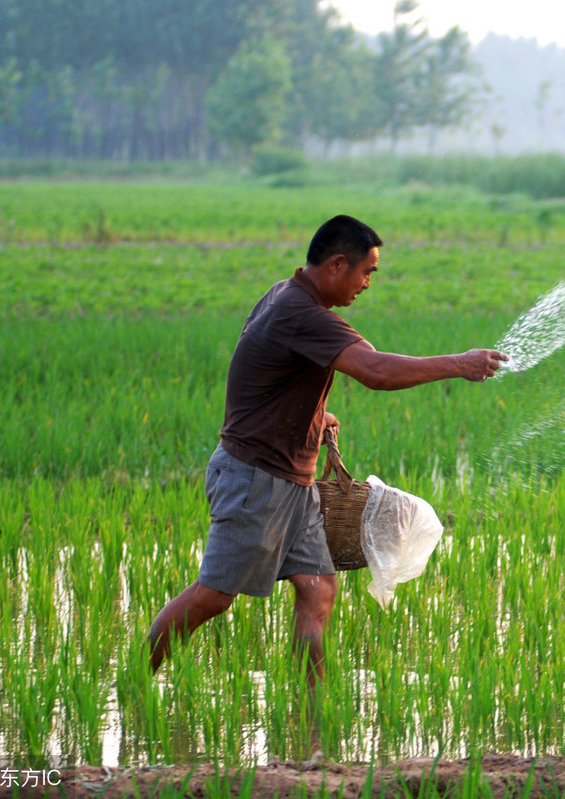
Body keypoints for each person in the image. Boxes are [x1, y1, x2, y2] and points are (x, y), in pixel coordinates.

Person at [146, 214, 506, 694]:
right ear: (338, 264)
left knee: (318, 591)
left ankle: (310, 712)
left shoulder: (286, 295)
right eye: (367, 272)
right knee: (214, 595)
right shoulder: (303, 313)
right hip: (255, 479)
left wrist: (314, 415)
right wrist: (459, 364)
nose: (367, 283)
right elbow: (375, 370)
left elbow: (263, 370)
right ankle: (135, 680)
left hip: (296, 484)